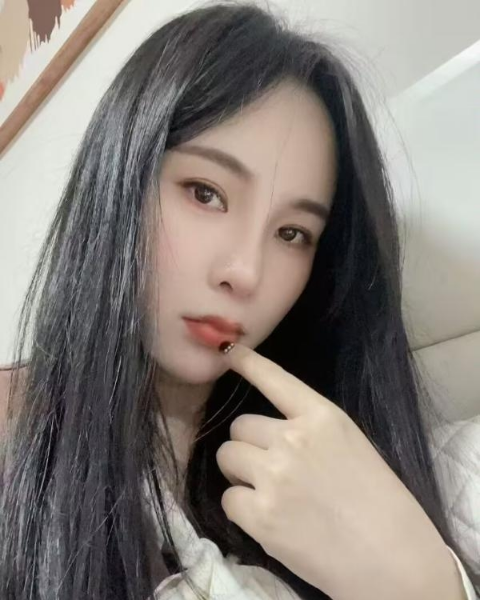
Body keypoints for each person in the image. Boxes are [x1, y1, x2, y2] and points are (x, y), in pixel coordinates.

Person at [0, 2, 477, 599]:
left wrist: (423, 583)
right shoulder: (19, 443)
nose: (245, 273)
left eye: (292, 233)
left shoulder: (366, 459)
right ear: (119, 179)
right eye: (206, 193)